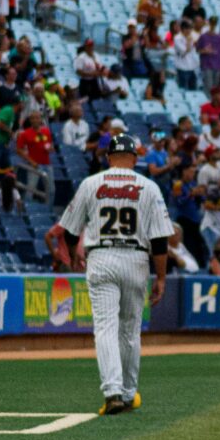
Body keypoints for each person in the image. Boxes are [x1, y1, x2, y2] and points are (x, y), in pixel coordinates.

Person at [59, 133, 174, 415]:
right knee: (130, 331)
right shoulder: (149, 187)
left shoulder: (91, 183)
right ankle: (129, 392)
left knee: (106, 328)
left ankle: (112, 392)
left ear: (108, 157)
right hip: (136, 257)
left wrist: (74, 253)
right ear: (135, 158)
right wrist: (161, 278)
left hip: (101, 256)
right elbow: (160, 242)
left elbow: (69, 231)